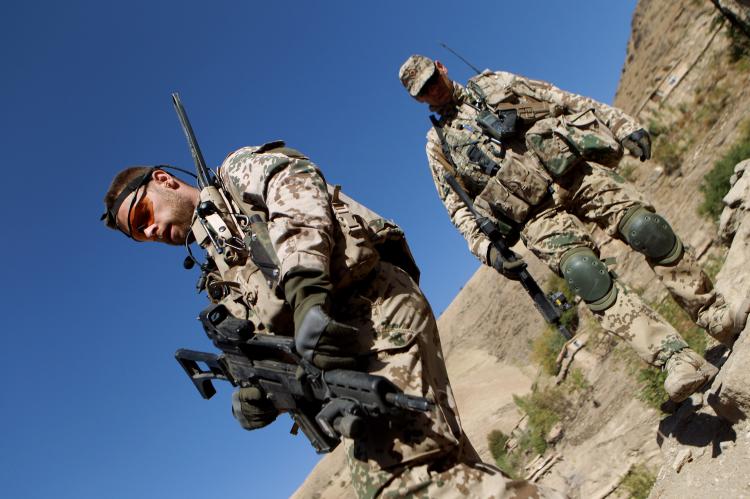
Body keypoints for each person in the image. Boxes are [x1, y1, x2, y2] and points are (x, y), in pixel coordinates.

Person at [101, 142, 563, 498]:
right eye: (140, 235)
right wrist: (258, 392)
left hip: (377, 313)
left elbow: (295, 187)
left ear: (163, 180)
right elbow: (275, 344)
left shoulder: (235, 175)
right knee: (447, 468)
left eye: (144, 214)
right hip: (347, 364)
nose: (151, 230)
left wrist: (306, 292)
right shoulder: (218, 274)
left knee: (399, 481)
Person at [398, 54, 750, 402]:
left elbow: (559, 97)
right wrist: (488, 251)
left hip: (575, 173)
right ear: (418, 99)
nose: (433, 90)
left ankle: (713, 313)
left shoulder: (495, 82)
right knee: (586, 275)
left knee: (647, 228)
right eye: (423, 90)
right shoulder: (437, 147)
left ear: (441, 68)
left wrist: (621, 124)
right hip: (536, 217)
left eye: (432, 79)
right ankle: (674, 358)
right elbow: (458, 209)